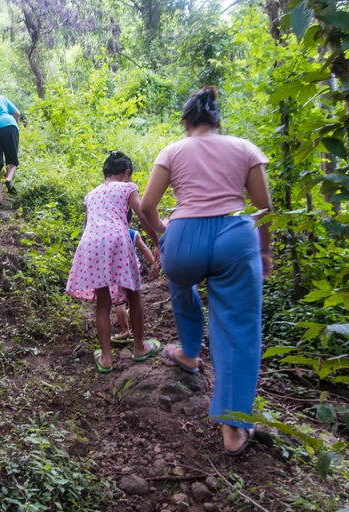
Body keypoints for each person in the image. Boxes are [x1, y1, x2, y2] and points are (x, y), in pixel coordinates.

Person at [140, 86, 273, 457]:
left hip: (184, 235)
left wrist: (165, 239)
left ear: (186, 123)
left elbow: (149, 206)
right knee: (238, 326)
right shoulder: (245, 148)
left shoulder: (173, 150)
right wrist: (263, 250)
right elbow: (263, 207)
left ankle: (187, 351)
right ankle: (232, 427)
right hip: (235, 236)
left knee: (181, 284)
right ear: (218, 120)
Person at [66, 151, 162, 373]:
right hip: (117, 238)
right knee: (133, 294)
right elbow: (143, 215)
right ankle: (139, 347)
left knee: (103, 302)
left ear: (105, 173)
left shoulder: (91, 194)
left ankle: (107, 358)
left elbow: (89, 224)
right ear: (126, 173)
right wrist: (157, 243)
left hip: (90, 242)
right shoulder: (127, 187)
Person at [113, 210, 157, 343]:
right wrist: (154, 263)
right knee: (134, 301)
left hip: (115, 273)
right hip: (132, 271)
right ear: (130, 221)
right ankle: (137, 332)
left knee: (119, 302)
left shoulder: (111, 235)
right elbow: (144, 249)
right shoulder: (133, 234)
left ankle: (125, 330)